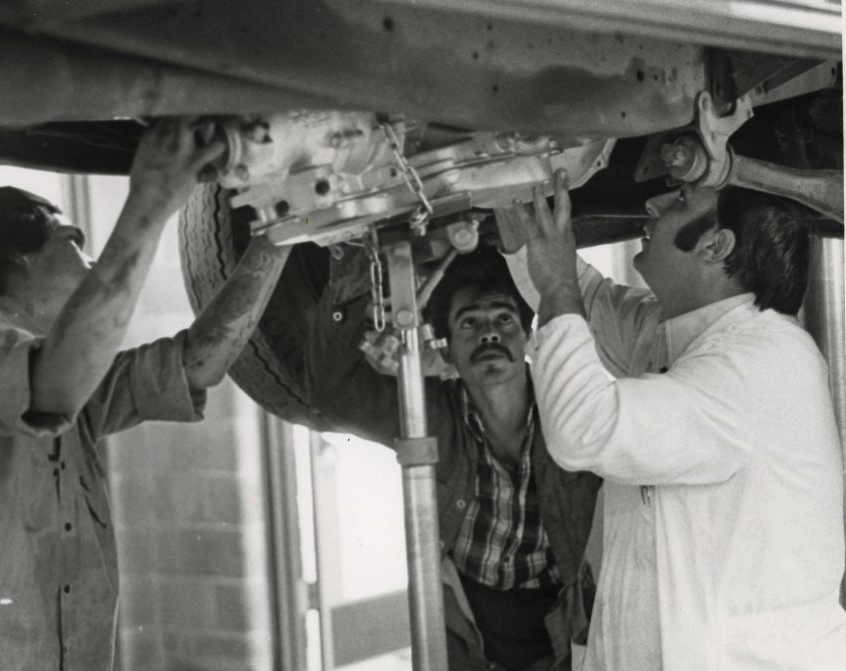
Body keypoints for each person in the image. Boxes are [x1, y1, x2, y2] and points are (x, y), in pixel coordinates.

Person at [0, 119, 293, 671]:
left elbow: (198, 363)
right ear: (18, 258)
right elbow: (56, 383)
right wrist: (151, 200)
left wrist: (280, 232)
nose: (88, 261)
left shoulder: (52, 373)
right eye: (72, 242)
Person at [500, 170, 846, 670]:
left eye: (680, 199)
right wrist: (514, 212)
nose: (655, 203)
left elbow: (583, 429)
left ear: (715, 245)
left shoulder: (757, 365)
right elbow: (589, 306)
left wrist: (556, 284)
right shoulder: (687, 336)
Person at [305, 243, 601, 670]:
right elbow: (335, 395)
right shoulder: (431, 415)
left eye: (504, 318)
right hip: (471, 636)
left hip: (563, 631)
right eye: (469, 324)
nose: (489, 334)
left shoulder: (574, 410)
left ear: (528, 337)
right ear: (447, 353)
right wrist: (349, 274)